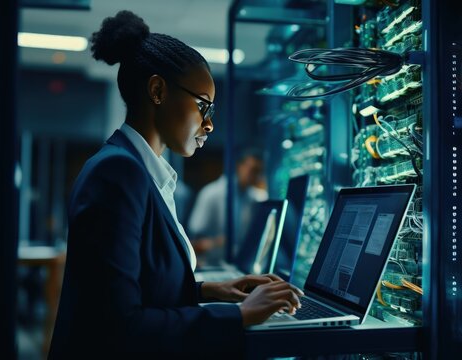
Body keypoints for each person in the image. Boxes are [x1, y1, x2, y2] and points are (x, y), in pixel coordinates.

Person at [49, 11, 302, 359]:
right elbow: (118, 326)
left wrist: (214, 291)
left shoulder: (139, 172)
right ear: (157, 90)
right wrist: (239, 315)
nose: (210, 125)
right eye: (203, 106)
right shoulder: (118, 174)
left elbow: (142, 290)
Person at [188, 149, 268, 267]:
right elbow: (194, 240)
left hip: (240, 266)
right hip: (211, 266)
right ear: (239, 166)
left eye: (259, 172)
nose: (255, 176)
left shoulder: (254, 198)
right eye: (253, 170)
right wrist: (216, 243)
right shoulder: (211, 194)